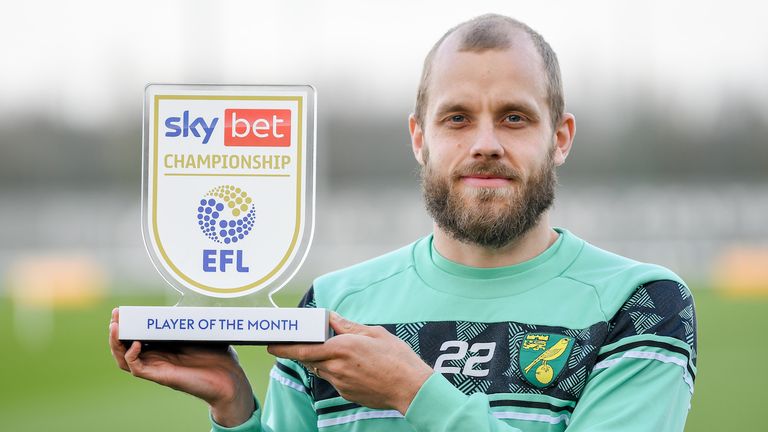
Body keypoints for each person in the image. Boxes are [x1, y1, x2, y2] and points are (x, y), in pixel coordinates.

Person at [109, 13, 697, 432]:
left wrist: (413, 392)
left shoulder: (640, 305)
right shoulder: (332, 305)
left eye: (515, 117)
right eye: (458, 118)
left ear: (560, 138)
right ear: (420, 138)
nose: (486, 143)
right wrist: (235, 410)